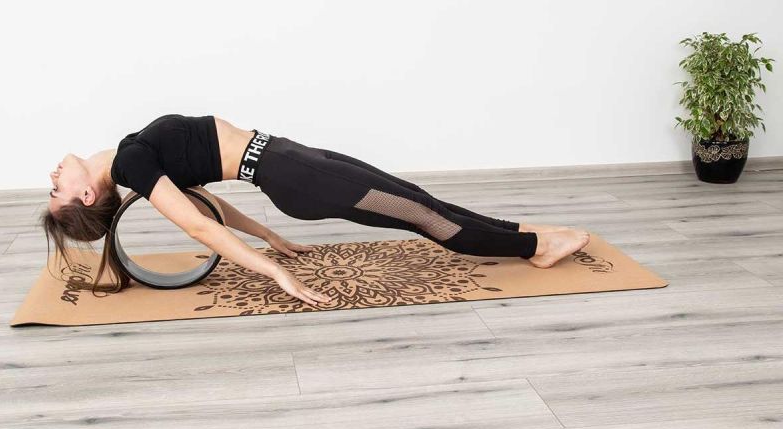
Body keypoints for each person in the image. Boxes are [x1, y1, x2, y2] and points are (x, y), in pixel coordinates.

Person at [43, 114, 591, 306]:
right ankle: (534, 247)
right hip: (297, 177)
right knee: (425, 217)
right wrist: (273, 271)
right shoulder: (134, 163)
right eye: (55, 191)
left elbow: (207, 205)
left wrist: (269, 237)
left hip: (290, 162)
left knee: (419, 201)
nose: (52, 178)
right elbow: (197, 226)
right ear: (86, 195)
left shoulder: (132, 157)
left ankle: (520, 233)